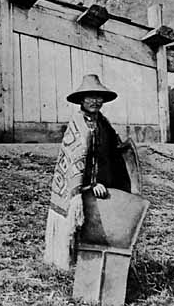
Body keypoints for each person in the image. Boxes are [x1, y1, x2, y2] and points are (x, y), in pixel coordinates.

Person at [44, 74, 131, 271]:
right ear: (81, 100)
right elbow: (77, 159)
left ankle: (95, 264)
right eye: (90, 97)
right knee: (78, 223)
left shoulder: (103, 123)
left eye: (99, 97)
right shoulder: (78, 124)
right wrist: (91, 184)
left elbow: (109, 153)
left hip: (102, 184)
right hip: (83, 186)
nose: (95, 101)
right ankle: (72, 262)